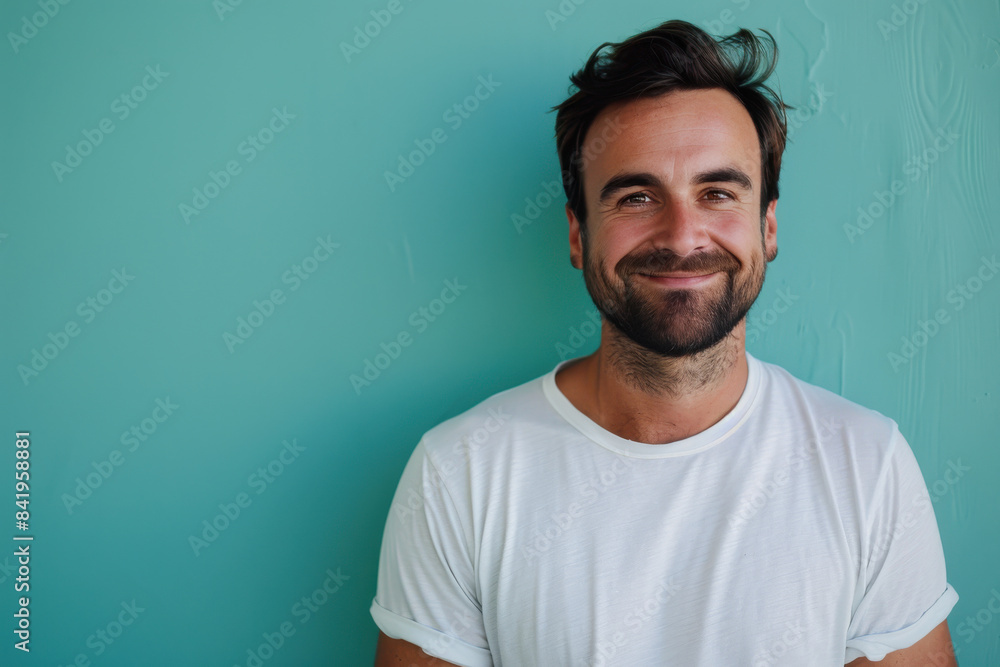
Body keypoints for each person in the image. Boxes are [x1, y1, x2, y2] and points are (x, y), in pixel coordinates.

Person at [370, 19, 959, 667]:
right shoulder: (459, 475)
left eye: (717, 192)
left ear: (768, 225)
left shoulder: (868, 466)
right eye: (637, 196)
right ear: (577, 233)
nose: (683, 235)